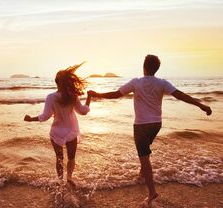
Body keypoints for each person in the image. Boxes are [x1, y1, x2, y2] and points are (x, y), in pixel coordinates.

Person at [88, 54, 212, 205]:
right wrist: (201, 105)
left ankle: (152, 192)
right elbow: (180, 95)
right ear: (156, 68)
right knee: (145, 152)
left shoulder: (136, 82)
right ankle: (142, 173)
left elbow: (116, 94)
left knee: (144, 158)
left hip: (141, 126)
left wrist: (97, 94)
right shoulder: (162, 83)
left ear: (144, 66)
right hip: (156, 125)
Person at [24, 63, 91, 187]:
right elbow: (83, 111)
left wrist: (30, 119)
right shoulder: (73, 96)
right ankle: (69, 177)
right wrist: (89, 98)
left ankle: (60, 181)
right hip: (71, 132)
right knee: (71, 158)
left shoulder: (50, 97)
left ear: (56, 82)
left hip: (56, 132)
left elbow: (45, 117)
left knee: (59, 158)